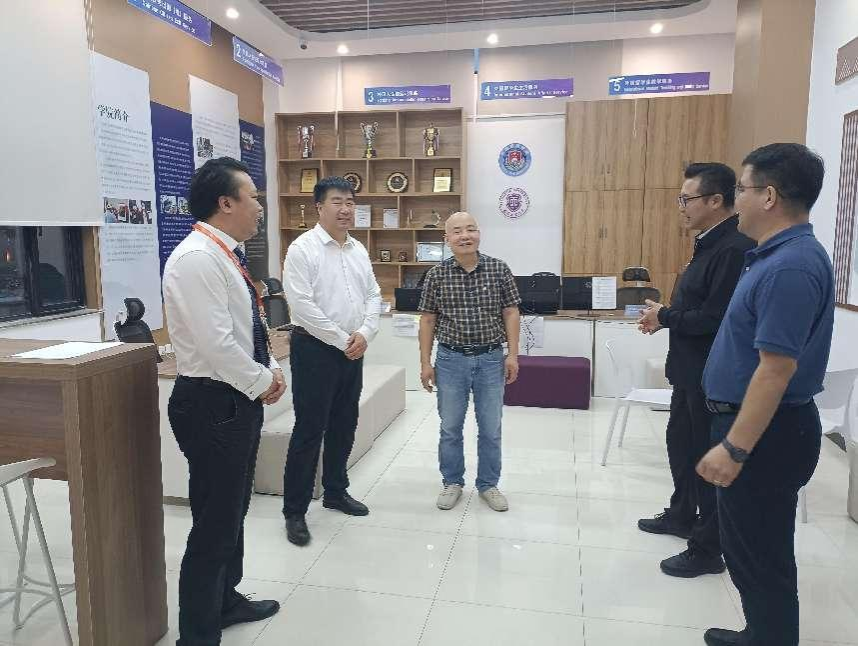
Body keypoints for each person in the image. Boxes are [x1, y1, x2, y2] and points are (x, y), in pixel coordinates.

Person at [696, 143, 833, 646]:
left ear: (769, 196)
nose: (737, 201)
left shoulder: (789, 267)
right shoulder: (776, 257)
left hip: (766, 434)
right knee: (753, 549)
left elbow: (775, 371)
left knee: (760, 554)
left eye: (742, 189)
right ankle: (762, 633)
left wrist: (735, 447)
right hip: (763, 427)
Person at [163, 157, 285, 646]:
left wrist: (270, 370)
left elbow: (248, 327)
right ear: (225, 203)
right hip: (211, 402)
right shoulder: (196, 259)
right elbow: (216, 345)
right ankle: (196, 633)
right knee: (214, 522)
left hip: (234, 397)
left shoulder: (225, 253)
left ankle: (225, 601)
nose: (259, 205)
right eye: (252, 196)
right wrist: (262, 381)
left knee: (232, 512)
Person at [636, 163, 754, 578]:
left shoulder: (733, 249)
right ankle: (682, 514)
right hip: (688, 373)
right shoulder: (709, 244)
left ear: (716, 200)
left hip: (710, 377)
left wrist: (666, 316)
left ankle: (706, 547)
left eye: (686, 199)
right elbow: (697, 307)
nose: (681, 207)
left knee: (705, 458)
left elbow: (715, 318)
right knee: (682, 447)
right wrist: (665, 316)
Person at [281, 176, 381, 546]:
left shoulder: (357, 248)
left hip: (353, 349)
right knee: (310, 429)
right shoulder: (302, 249)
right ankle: (295, 511)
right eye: (337, 201)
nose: (345, 209)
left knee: (344, 423)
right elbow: (301, 306)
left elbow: (373, 294)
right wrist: (343, 340)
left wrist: (366, 333)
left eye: (350, 202)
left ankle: (336, 491)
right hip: (315, 350)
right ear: (319, 207)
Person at [418, 212, 521, 512]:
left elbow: (511, 312)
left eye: (471, 229)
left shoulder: (499, 269)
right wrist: (425, 363)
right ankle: (452, 482)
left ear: (479, 233)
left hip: (490, 359)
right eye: (457, 231)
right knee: (450, 427)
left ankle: (488, 484)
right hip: (450, 360)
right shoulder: (436, 275)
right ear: (447, 239)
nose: (465, 236)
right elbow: (427, 320)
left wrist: (513, 355)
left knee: (491, 428)